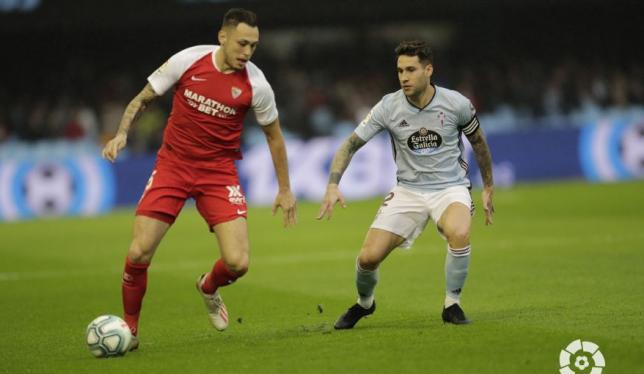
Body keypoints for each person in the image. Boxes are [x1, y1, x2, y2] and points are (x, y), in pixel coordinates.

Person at [102, 8, 297, 349]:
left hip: (218, 172)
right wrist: (121, 134)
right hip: (173, 166)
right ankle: (130, 331)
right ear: (223, 37)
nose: (247, 52)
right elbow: (143, 98)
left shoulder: (256, 84)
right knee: (139, 253)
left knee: (238, 263)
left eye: (253, 46)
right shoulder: (188, 60)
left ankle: (209, 286)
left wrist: (284, 188)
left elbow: (274, 136)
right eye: (242, 43)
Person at [317, 40, 494, 329]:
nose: (404, 77)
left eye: (411, 70)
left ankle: (452, 304)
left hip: (450, 187)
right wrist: (333, 184)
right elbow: (350, 144)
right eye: (400, 71)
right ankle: (365, 303)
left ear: (428, 70)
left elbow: (479, 143)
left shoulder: (456, 104)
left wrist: (487, 187)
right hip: (408, 190)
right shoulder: (389, 106)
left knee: (459, 232)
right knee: (368, 257)